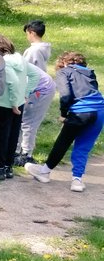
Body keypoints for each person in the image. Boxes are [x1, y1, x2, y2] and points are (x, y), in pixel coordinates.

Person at [25, 51, 104, 192]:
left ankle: (44, 172)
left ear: (64, 62)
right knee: (83, 147)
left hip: (81, 112)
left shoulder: (64, 72)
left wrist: (63, 114)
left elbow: (65, 94)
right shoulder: (89, 72)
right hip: (100, 111)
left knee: (63, 142)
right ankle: (77, 181)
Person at [0, 35, 37, 179]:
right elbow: (35, 75)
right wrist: (25, 94)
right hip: (19, 102)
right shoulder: (20, 59)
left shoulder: (3, 63)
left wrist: (13, 102)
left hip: (5, 103)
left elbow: (12, 81)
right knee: (13, 134)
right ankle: (8, 166)